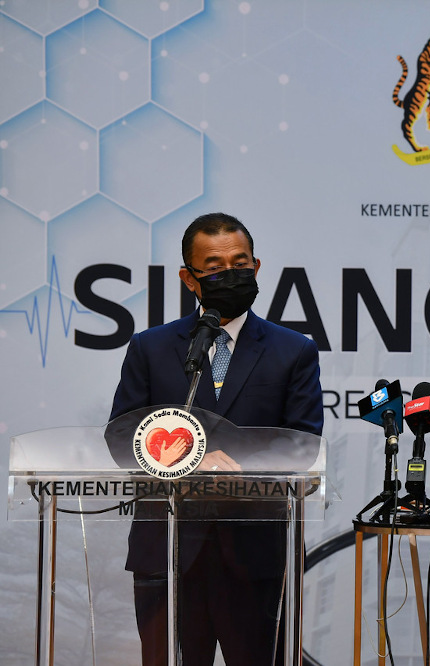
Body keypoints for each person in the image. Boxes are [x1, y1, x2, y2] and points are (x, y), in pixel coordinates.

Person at [109, 212, 324, 665]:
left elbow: (302, 442)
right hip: (167, 549)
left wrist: (237, 467)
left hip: (255, 551)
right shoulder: (151, 347)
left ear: (257, 267)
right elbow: (123, 433)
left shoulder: (293, 350)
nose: (231, 273)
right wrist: (188, 458)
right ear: (189, 278)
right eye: (214, 266)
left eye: (240, 263)